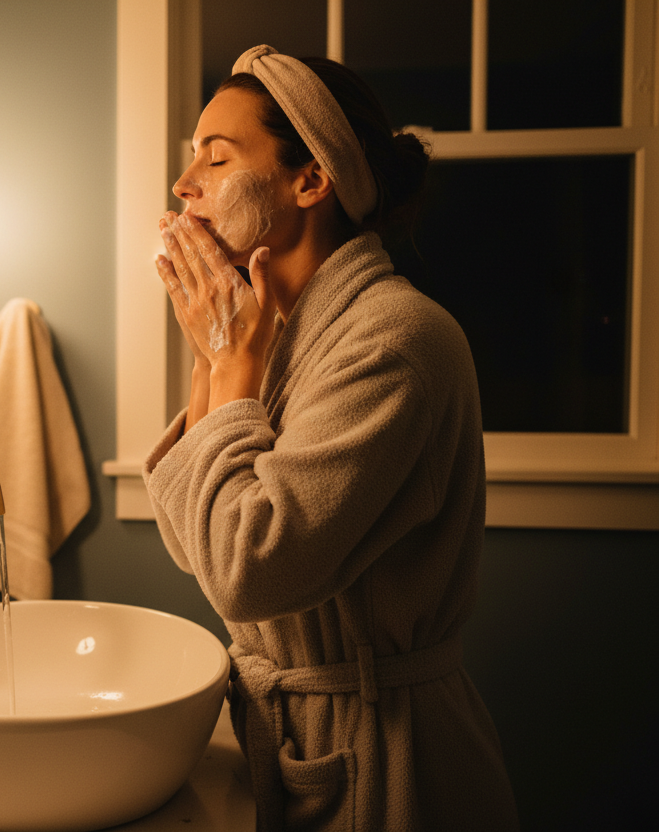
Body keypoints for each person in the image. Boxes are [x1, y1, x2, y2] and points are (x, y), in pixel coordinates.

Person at [143, 45, 519, 831]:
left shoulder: (394, 340)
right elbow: (198, 548)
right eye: (189, 161)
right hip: (292, 735)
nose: (183, 186)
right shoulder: (277, 339)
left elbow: (248, 570)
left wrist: (229, 363)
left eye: (217, 158)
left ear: (310, 180)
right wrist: (220, 359)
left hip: (390, 761)